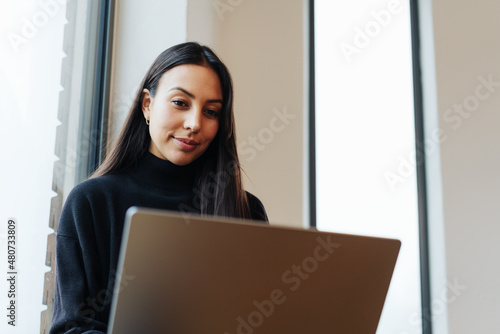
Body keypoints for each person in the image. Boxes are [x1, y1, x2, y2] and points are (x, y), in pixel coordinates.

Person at [49, 42, 268, 334]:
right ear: (147, 105)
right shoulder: (92, 202)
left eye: (211, 111)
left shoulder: (246, 210)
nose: (194, 123)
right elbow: (71, 328)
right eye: (180, 103)